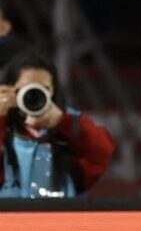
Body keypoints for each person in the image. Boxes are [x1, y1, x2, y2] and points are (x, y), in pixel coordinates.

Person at [0, 51, 115, 198]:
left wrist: (63, 121)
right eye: (26, 88)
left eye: (43, 89)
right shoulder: (4, 128)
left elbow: (103, 151)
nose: (34, 94)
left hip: (60, 219)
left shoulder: (69, 123)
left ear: (53, 91)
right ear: (10, 89)